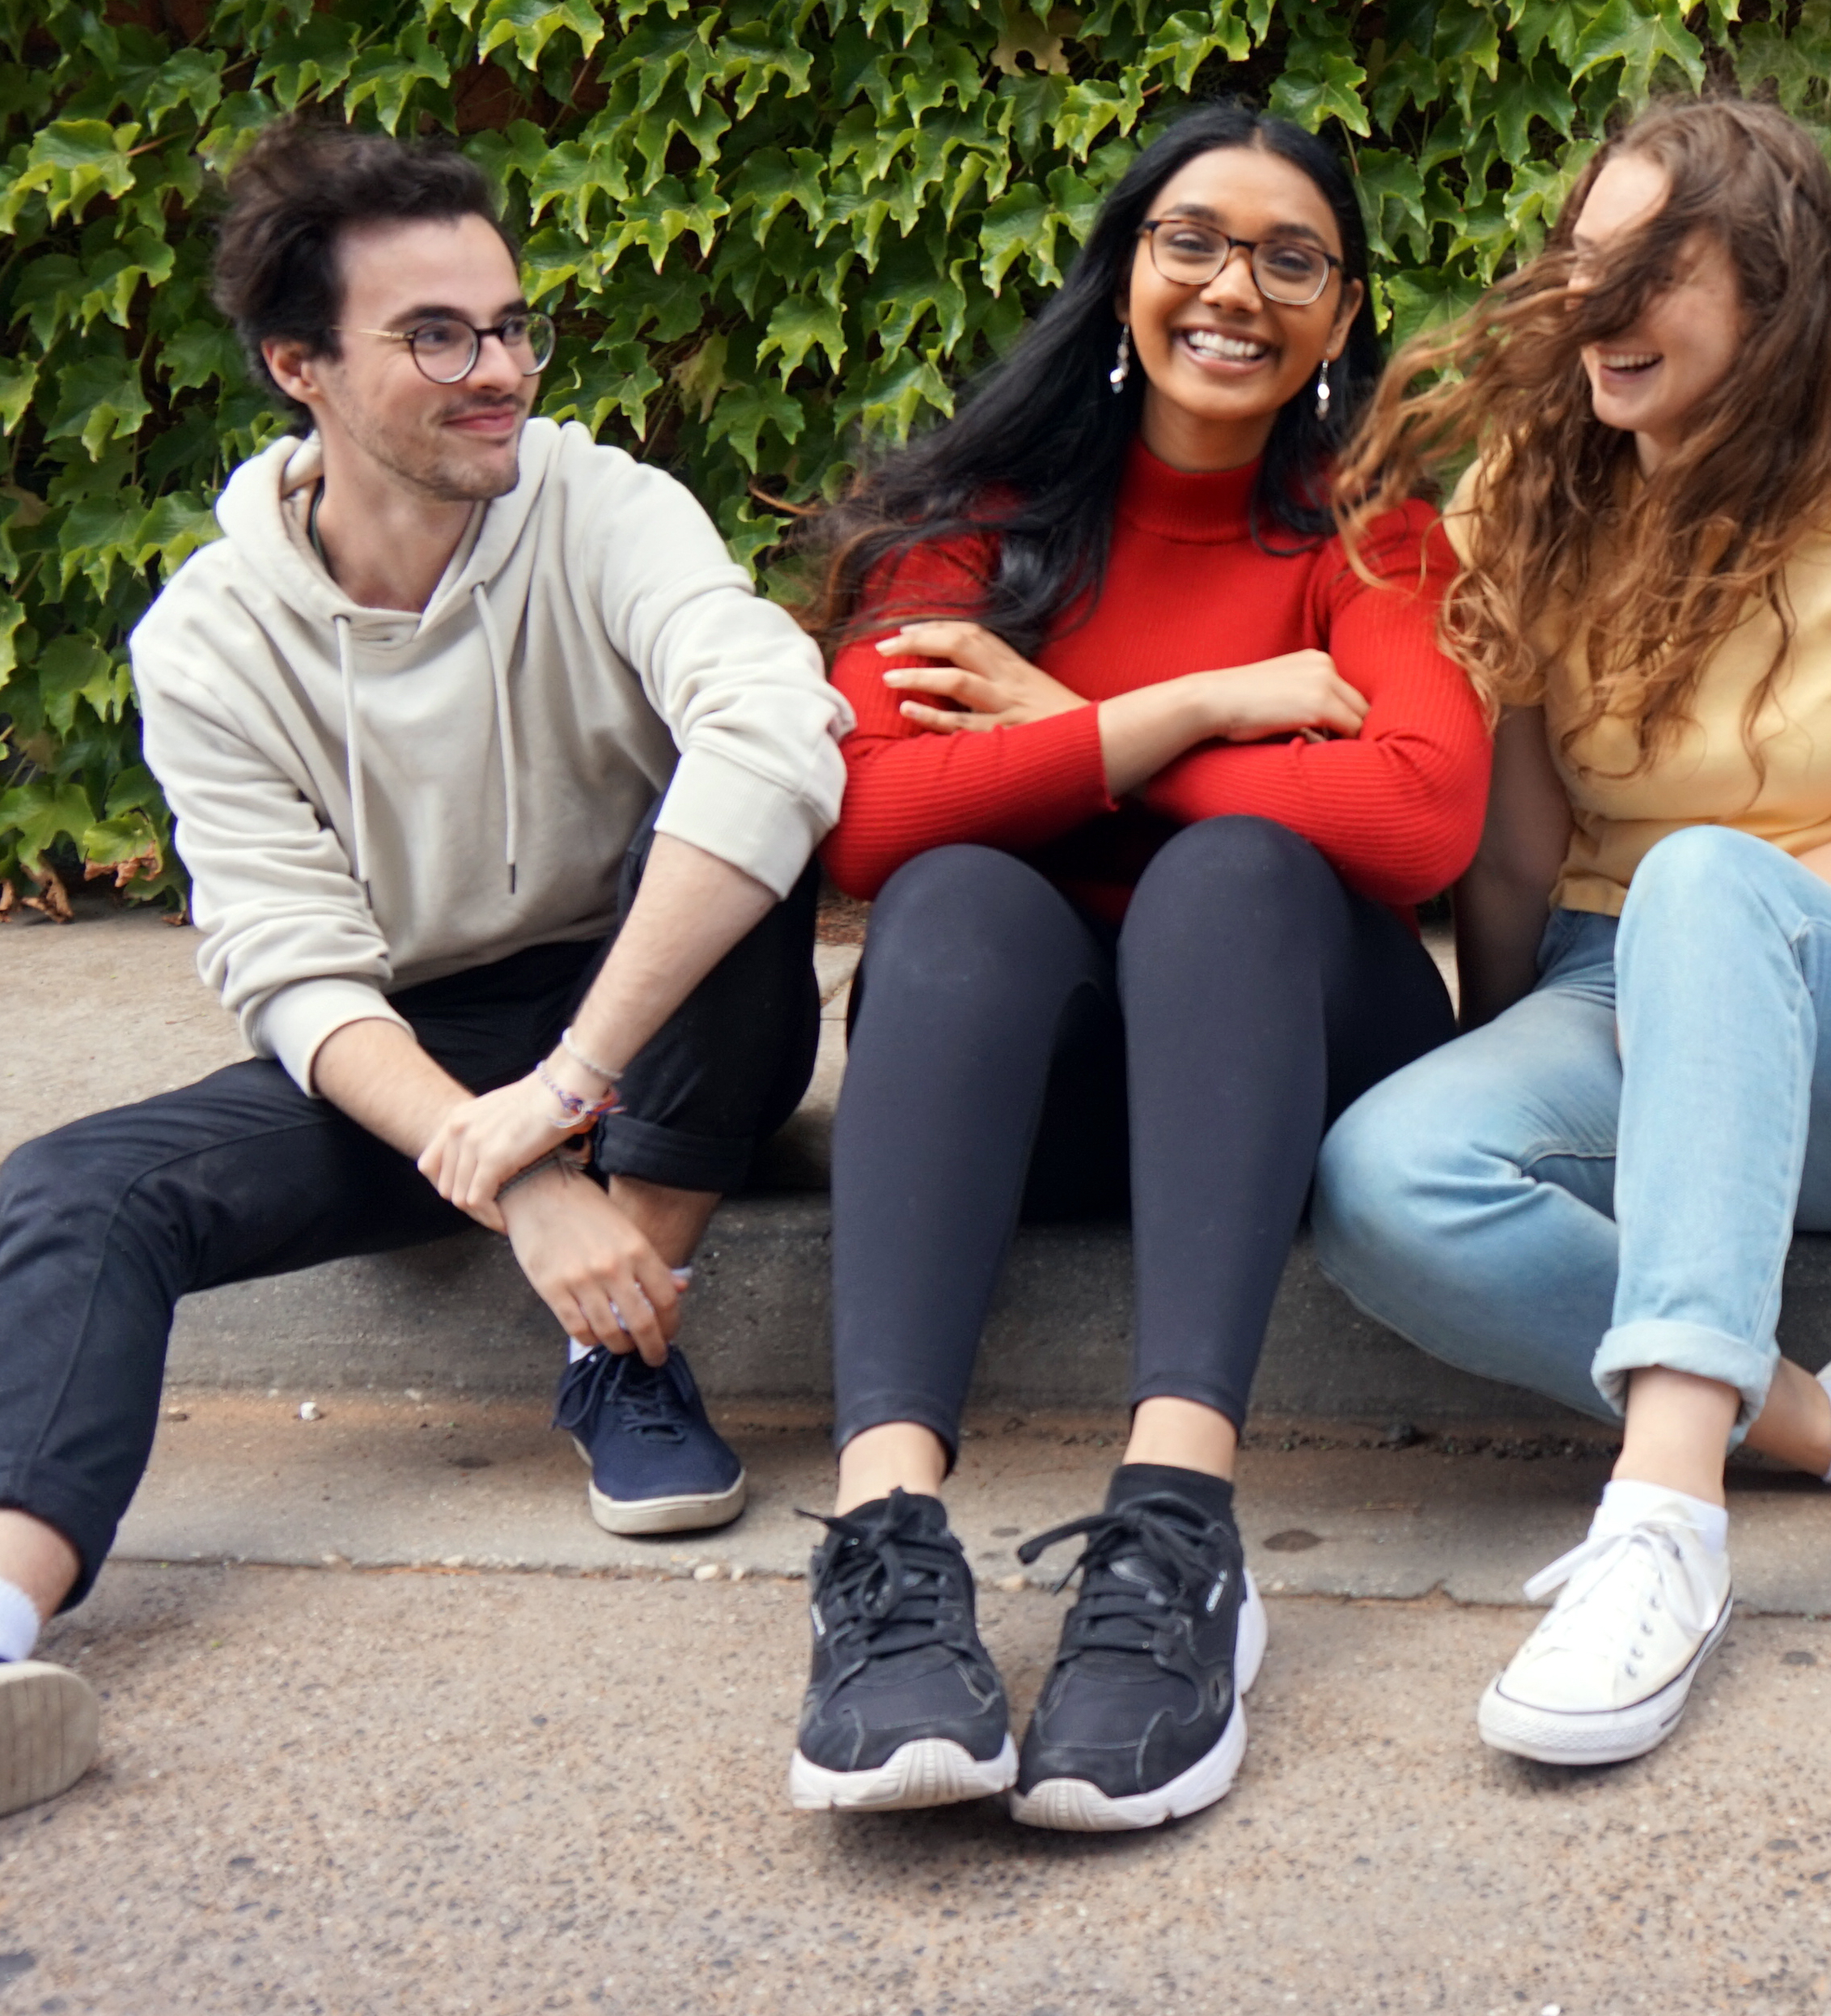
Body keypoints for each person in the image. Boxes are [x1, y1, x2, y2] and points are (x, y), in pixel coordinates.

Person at [0, 119, 846, 1817]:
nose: (501, 373)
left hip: (651, 1001)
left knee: (736, 860)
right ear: (297, 366)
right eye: (438, 338)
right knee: (78, 1193)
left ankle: (622, 1352)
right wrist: (523, 1174)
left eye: (512, 325)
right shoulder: (209, 638)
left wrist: (569, 1088)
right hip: (418, 1048)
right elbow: (289, 965)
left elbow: (775, 728)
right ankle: (4, 1631)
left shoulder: (604, 508)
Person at [1312, 95, 1831, 1768]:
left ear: (1772, 295)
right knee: (1381, 1179)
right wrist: (1510, 1068)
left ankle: (1663, 1522)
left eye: (1651, 269)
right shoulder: (1525, 496)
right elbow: (1513, 862)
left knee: (1703, 884)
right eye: (1583, 261)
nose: (1594, 305)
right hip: (1605, 994)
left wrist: (1704, 937)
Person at [786, 105, 1486, 1829]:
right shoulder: (969, 522)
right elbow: (867, 821)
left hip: (1285, 1064)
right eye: (1193, 242)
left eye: (1289, 260)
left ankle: (1177, 1540)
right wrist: (1191, 710)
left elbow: (1417, 816)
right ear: (1122, 276)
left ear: (1340, 317)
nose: (1233, 288)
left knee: (1228, 876)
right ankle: (884, 1546)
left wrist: (1064, 735)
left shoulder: (1372, 534)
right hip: (1030, 1093)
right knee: (954, 894)